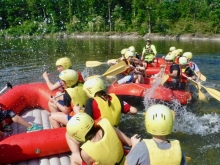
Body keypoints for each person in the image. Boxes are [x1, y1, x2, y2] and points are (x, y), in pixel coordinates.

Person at [66, 112, 132, 165]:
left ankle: (75, 152)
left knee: (74, 157)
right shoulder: (107, 125)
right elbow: (129, 142)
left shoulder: (85, 152)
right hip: (123, 162)